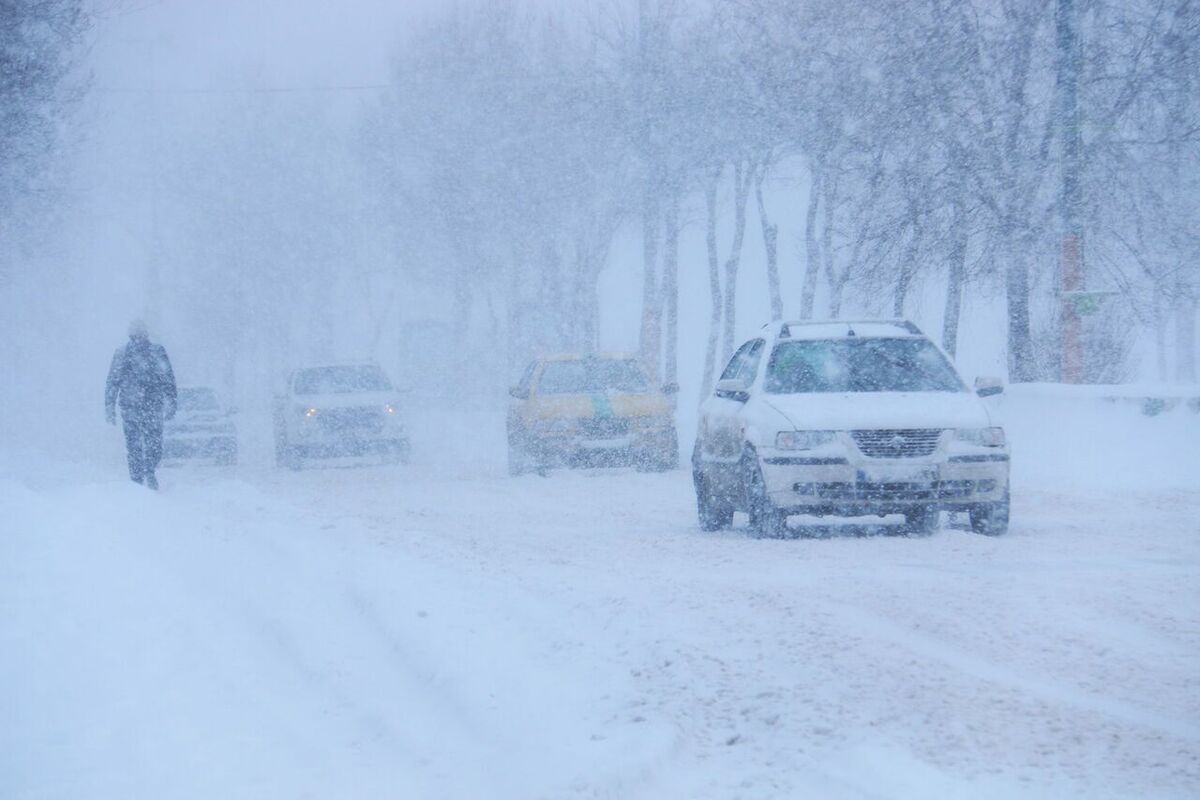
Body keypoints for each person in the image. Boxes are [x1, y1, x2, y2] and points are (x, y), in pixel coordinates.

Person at [105, 320, 177, 489]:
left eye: (141, 333)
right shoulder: (122, 354)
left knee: (153, 442)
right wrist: (109, 407)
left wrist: (172, 401)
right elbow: (113, 381)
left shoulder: (157, 351)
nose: (139, 337)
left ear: (146, 334)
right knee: (134, 444)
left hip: (152, 405)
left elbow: (168, 378)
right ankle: (137, 479)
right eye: (136, 334)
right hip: (132, 407)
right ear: (131, 335)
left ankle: (149, 471)